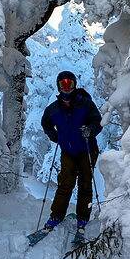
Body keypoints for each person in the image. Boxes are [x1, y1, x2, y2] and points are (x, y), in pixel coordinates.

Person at [41, 71, 102, 237]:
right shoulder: (53, 109)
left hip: (87, 150)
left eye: (70, 84)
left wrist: (90, 130)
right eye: (63, 84)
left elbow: (98, 121)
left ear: (74, 85)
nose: (67, 88)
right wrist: (54, 136)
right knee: (65, 183)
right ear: (59, 86)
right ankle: (56, 215)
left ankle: (83, 218)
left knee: (85, 184)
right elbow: (45, 123)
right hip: (67, 151)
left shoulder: (86, 104)